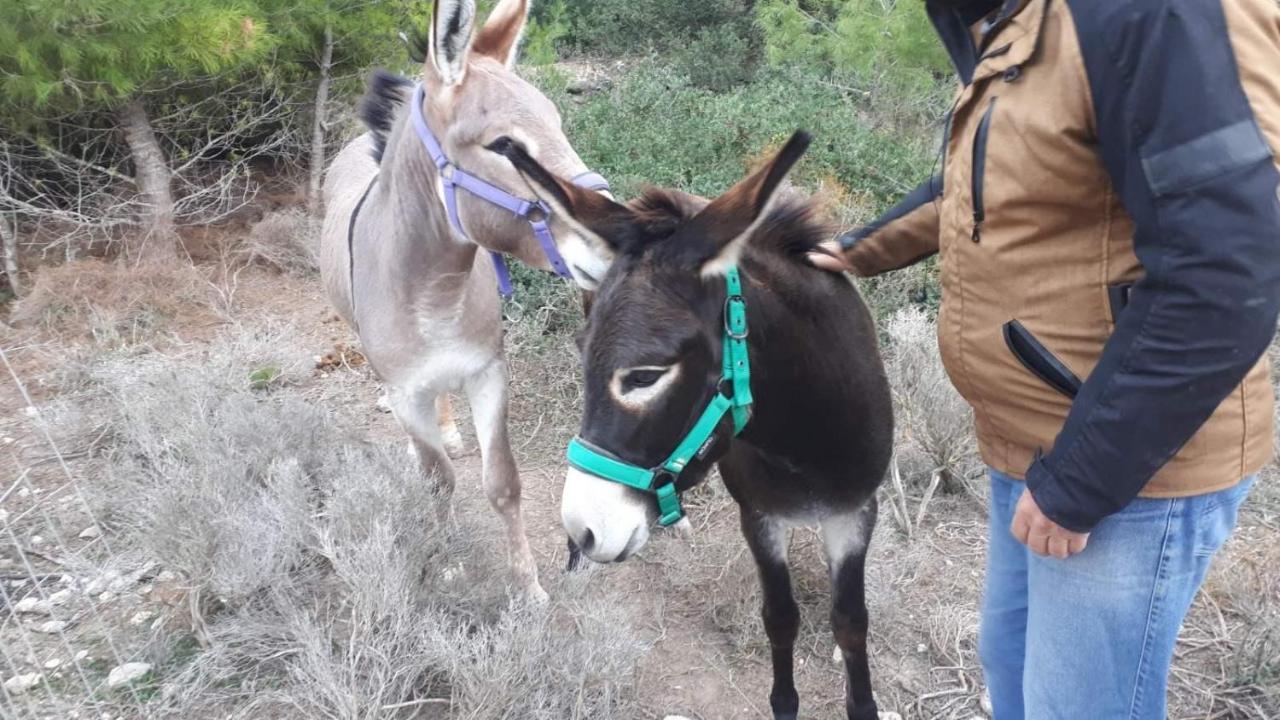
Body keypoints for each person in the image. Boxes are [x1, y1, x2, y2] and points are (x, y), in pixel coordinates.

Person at [811, 0, 1280, 717]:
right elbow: (984, 184)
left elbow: (1224, 275)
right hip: (1035, 446)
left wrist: (1082, 484)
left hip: (1126, 474)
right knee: (1014, 673)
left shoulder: (1153, 16)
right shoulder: (1016, 22)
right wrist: (854, 250)